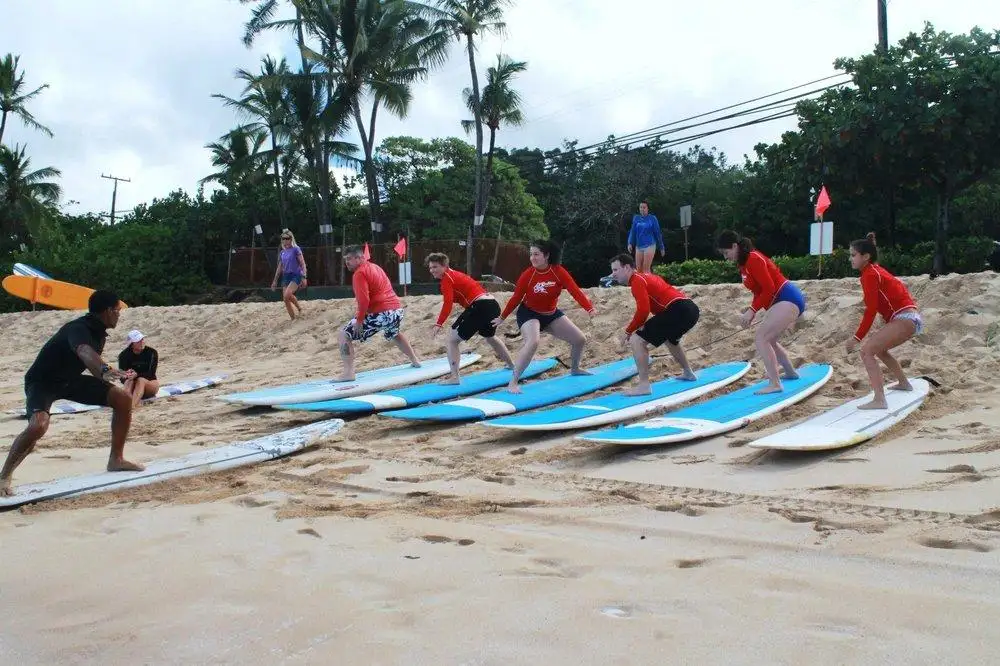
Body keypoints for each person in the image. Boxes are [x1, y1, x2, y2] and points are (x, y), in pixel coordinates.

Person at [1, 290, 143, 497]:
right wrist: (103, 370)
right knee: (38, 426)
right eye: (117, 311)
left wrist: (107, 371)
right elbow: (84, 351)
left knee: (123, 399)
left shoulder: (99, 331)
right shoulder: (78, 328)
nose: (119, 315)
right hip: (43, 382)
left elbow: (88, 358)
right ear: (107, 311)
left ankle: (116, 459)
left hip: (69, 380)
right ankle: (4, 475)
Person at [494, 239, 596, 393]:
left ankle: (575, 369)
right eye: (531, 254)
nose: (532, 258)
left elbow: (575, 291)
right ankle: (513, 382)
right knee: (533, 341)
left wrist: (589, 308)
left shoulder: (558, 271)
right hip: (529, 313)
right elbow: (516, 298)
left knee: (579, 339)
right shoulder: (527, 275)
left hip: (551, 314)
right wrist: (502, 317)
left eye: (536, 254)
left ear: (547, 255)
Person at [716, 230, 804, 395]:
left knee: (761, 338)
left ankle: (775, 383)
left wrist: (752, 310)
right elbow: (759, 291)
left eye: (726, 252)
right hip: (780, 300)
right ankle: (790, 373)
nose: (725, 257)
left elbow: (770, 288)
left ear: (735, 246)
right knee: (769, 339)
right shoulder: (743, 264)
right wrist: (752, 311)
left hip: (788, 297)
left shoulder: (753, 258)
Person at [846, 232, 923, 410]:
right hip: (909, 317)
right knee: (879, 351)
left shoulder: (870, 275)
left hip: (904, 318)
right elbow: (875, 261)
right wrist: (872, 243)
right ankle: (904, 383)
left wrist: (856, 338)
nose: (850, 259)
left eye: (853, 255)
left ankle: (880, 400)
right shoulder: (873, 269)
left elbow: (871, 311)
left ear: (865, 257)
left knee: (866, 351)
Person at [610, 253, 699, 395]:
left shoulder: (636, 280)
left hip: (678, 310)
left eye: (615, 270)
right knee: (671, 340)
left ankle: (644, 386)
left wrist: (628, 331)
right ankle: (688, 372)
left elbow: (643, 311)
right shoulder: (645, 276)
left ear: (627, 267)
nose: (612, 274)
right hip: (691, 310)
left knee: (636, 340)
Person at [426, 252, 515, 384]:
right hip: (492, 304)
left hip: (480, 306)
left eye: (435, 267)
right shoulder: (456, 274)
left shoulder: (447, 279)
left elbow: (447, 303)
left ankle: (455, 377)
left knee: (451, 340)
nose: (432, 270)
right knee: (490, 337)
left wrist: (439, 324)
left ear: (444, 266)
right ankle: (512, 365)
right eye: (430, 267)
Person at [338, 245, 421, 381]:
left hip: (380, 313)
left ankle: (348, 373)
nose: (346, 262)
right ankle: (415, 360)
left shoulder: (359, 273)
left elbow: (364, 301)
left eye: (349, 259)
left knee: (343, 335)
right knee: (395, 333)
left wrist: (359, 320)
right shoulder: (375, 267)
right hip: (396, 311)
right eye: (345, 259)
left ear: (359, 258)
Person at [271, 228, 308, 320]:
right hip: (286, 276)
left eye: (287, 238)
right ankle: (293, 317)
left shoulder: (296, 249)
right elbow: (279, 268)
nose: (285, 240)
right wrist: (275, 281)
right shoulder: (282, 252)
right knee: (286, 298)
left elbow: (302, 263)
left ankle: (298, 310)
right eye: (283, 238)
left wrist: (304, 276)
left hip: (296, 275)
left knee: (287, 295)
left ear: (291, 239)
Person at [118, 329, 160, 408]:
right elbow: (121, 378)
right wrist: (127, 375)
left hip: (150, 384)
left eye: (142, 339)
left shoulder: (151, 352)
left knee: (140, 380)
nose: (141, 342)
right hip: (133, 386)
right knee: (128, 381)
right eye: (138, 341)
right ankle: (125, 405)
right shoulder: (123, 355)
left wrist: (136, 375)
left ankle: (132, 406)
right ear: (132, 344)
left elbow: (151, 373)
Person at [626, 200, 665, 274]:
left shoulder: (652, 218)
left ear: (647, 209)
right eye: (641, 207)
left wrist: (661, 247)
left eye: (644, 207)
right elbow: (633, 231)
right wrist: (630, 243)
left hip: (650, 245)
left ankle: (650, 285)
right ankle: (641, 285)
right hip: (639, 246)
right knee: (639, 269)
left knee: (646, 269)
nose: (642, 209)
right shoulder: (636, 218)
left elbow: (657, 233)